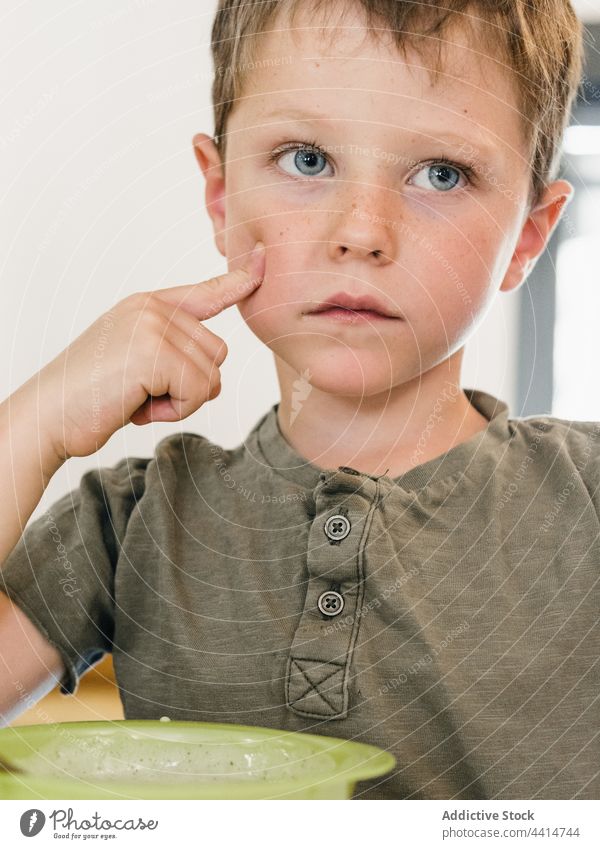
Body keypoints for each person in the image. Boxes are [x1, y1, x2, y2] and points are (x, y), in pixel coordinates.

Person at [0, 0, 595, 799]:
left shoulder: (585, 498)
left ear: (529, 233)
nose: (362, 231)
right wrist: (31, 425)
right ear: (220, 196)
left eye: (442, 174)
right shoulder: (132, 524)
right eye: (307, 159)